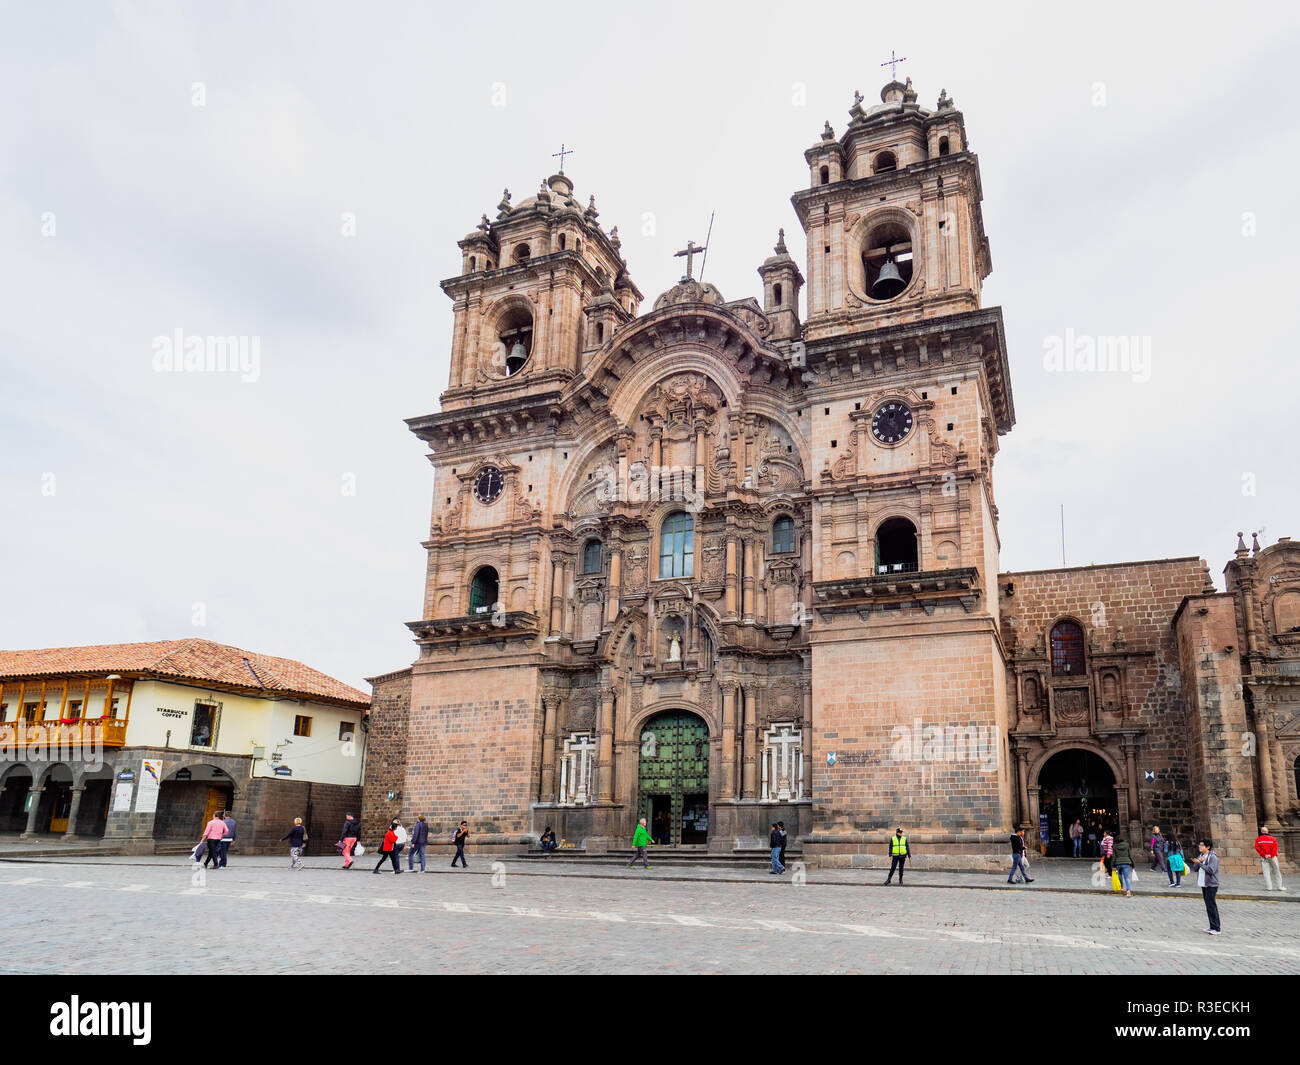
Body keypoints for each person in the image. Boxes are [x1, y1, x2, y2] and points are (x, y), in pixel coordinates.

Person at [1189, 838, 1221, 934]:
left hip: (1211, 884)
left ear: (1208, 847)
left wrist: (1200, 863)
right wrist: (1198, 862)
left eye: (1202, 845)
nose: (1200, 846)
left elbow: (1211, 870)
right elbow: (1195, 869)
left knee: (1212, 906)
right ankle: (1212, 926)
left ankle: (1217, 928)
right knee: (1208, 906)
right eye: (1199, 845)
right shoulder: (1201, 855)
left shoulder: (1213, 857)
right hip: (1204, 883)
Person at [1255, 826, 1287, 892]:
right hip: (1273, 857)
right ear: (1267, 831)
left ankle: (1269, 887)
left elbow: (1258, 849)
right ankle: (1280, 886)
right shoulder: (1273, 839)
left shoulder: (1258, 839)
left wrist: (1264, 855)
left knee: (1266, 872)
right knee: (1277, 871)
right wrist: (1271, 855)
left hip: (1264, 857)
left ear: (1261, 832)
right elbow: (1275, 847)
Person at [1112, 830, 1135, 896]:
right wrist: (1133, 864)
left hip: (1118, 863)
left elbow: (1114, 857)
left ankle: (1121, 887)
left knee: (1119, 875)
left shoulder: (1115, 846)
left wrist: (1112, 865)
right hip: (1126, 863)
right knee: (1127, 877)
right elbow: (1129, 855)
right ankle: (1128, 890)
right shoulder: (1127, 845)